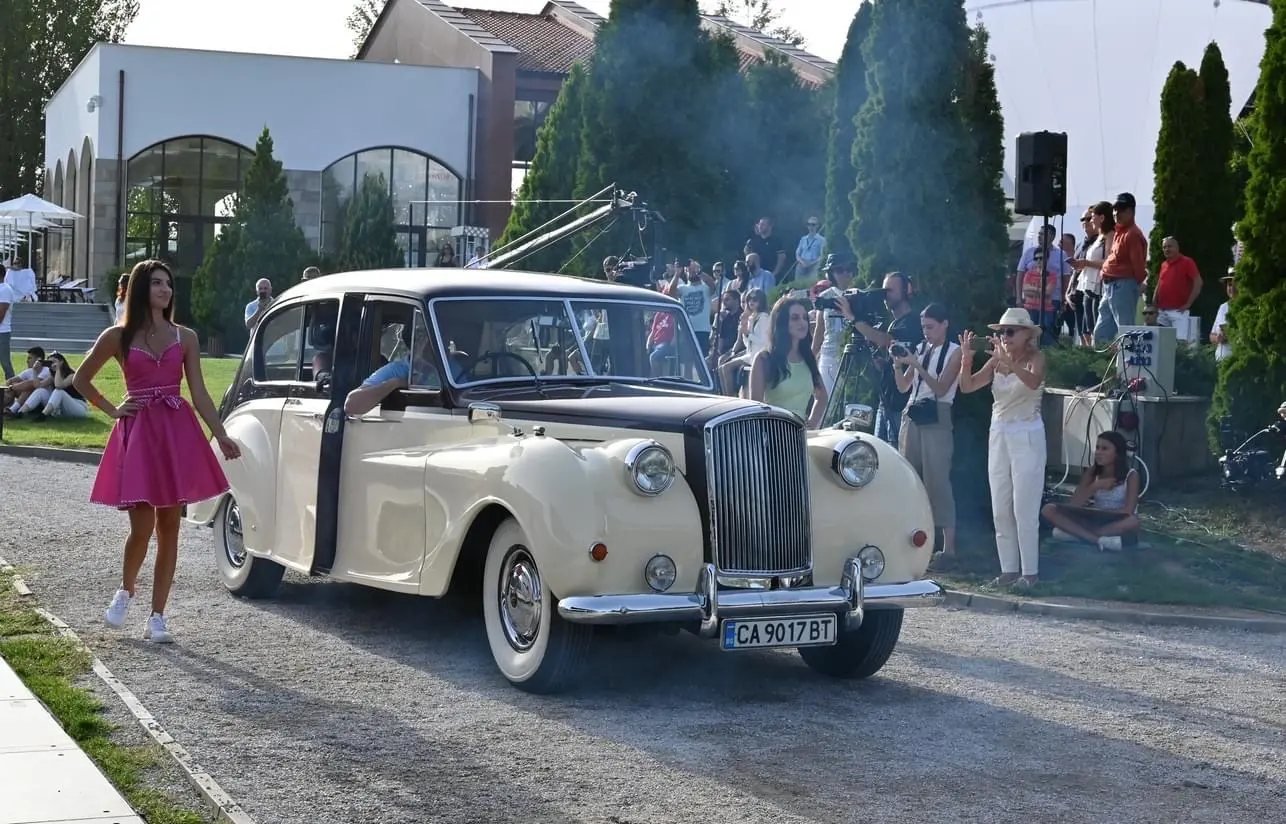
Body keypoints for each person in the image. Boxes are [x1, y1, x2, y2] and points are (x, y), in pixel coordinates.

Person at [74, 259, 240, 643]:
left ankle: (158, 617)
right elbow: (81, 379)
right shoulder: (117, 336)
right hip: (138, 433)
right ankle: (126, 589)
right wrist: (112, 409)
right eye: (157, 283)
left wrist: (221, 434)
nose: (165, 290)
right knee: (141, 528)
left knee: (170, 529)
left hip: (175, 433)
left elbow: (199, 393)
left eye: (168, 284)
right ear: (140, 289)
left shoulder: (186, 337)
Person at [958, 308, 1047, 588]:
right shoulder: (996, 360)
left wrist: (1009, 361)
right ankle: (1008, 570)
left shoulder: (1036, 358)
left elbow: (1033, 383)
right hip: (999, 433)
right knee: (1000, 505)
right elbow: (968, 387)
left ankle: (1029, 573)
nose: (1004, 337)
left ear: (1026, 335)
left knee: (1024, 507)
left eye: (1010, 331)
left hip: (1027, 433)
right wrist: (966, 361)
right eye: (1002, 332)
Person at [892, 303, 962, 557]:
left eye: (930, 327)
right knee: (909, 477)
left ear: (945, 324)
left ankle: (948, 548)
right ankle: (914, 541)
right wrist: (898, 364)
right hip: (913, 413)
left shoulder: (955, 352)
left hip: (937, 415)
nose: (926, 332)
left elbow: (941, 389)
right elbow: (903, 387)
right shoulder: (921, 348)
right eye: (923, 327)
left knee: (937, 480)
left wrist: (918, 365)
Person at [1040, 430, 1140, 551]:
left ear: (1117, 453)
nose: (1098, 452)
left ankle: (1077, 534)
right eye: (1097, 448)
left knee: (1133, 521)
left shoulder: (1131, 475)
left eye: (1104, 449)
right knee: (1048, 509)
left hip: (1116, 520)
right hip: (1095, 518)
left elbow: (1128, 511)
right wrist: (1095, 486)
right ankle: (1097, 540)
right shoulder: (1092, 472)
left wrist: (1106, 514)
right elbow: (1074, 504)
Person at [853, 271, 921, 446]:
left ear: (905, 291)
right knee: (879, 451)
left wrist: (854, 319)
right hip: (886, 401)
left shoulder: (912, 322)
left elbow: (885, 339)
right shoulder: (894, 323)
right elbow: (895, 358)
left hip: (901, 405)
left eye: (890, 290)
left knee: (895, 454)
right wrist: (882, 362)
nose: (885, 295)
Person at [749, 297, 827, 428]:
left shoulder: (808, 358)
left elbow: (822, 396)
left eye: (805, 318)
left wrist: (811, 424)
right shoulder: (764, 359)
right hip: (772, 434)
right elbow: (755, 407)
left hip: (801, 435)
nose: (802, 323)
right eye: (795, 318)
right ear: (782, 322)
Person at [811, 253, 857, 397]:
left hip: (853, 358)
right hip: (829, 356)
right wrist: (810, 360)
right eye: (839, 270)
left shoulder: (859, 295)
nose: (845, 273)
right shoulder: (824, 297)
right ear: (831, 273)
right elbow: (819, 332)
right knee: (826, 402)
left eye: (849, 269)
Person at [21, 352, 90, 420]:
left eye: (54, 362)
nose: (52, 364)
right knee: (40, 391)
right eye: (50, 363)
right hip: (61, 410)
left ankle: (43, 416)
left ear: (61, 362)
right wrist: (34, 371)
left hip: (78, 408)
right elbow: (38, 386)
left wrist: (58, 369)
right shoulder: (53, 376)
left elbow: (59, 386)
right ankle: (20, 412)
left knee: (59, 391)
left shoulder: (71, 375)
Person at [1210, 269, 1235, 362]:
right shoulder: (1223, 307)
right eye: (1230, 285)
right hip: (1220, 361)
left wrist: (1229, 336)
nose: (1232, 288)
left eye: (1236, 284)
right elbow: (1211, 335)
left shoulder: (1247, 307)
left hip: (1237, 361)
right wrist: (1217, 338)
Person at [0, 276, 13, 381]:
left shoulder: (5, 289)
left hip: (2, 331)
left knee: (5, 362)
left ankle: (13, 386)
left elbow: (1, 312)